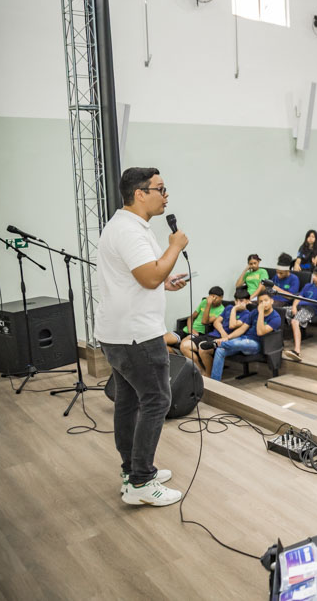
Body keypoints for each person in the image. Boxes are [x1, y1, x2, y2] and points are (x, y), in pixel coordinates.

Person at [96, 167, 188, 506]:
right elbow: (148, 277)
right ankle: (141, 482)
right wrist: (175, 247)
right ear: (140, 193)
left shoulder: (123, 225)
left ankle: (132, 470)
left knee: (129, 401)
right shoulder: (130, 232)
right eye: (160, 189)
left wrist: (165, 281)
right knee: (157, 400)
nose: (166, 195)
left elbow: (140, 277)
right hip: (137, 335)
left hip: (118, 332)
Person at [210, 290, 281, 381]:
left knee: (240, 343)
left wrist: (261, 313)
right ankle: (215, 381)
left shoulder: (275, 317)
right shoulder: (254, 312)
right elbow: (242, 329)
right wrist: (227, 338)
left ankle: (215, 344)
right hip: (243, 339)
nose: (263, 304)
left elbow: (260, 332)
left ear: (272, 301)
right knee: (220, 350)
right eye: (260, 301)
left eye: (266, 300)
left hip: (256, 344)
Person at [284, 268, 317, 361]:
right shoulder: (308, 286)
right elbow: (299, 297)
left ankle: (297, 351)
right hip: (299, 307)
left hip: (310, 309)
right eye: (314, 275)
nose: (314, 277)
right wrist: (294, 306)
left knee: (295, 321)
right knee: (280, 312)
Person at [178, 286, 225, 373]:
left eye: (215, 297)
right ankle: (198, 369)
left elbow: (204, 322)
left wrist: (208, 304)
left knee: (185, 344)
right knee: (180, 345)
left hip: (203, 333)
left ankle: (203, 372)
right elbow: (191, 317)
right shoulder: (204, 302)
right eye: (211, 297)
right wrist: (190, 329)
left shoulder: (222, 310)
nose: (213, 299)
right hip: (191, 330)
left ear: (221, 297)